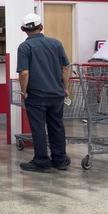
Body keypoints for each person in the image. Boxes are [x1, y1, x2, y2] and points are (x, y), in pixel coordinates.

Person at [16, 14, 71, 173]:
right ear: (41, 27)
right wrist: (65, 88)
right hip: (56, 94)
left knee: (38, 128)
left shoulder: (24, 47)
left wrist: (24, 91)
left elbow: (24, 73)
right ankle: (60, 160)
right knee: (57, 126)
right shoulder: (56, 44)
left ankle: (41, 161)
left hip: (36, 95)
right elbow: (65, 68)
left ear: (23, 29)